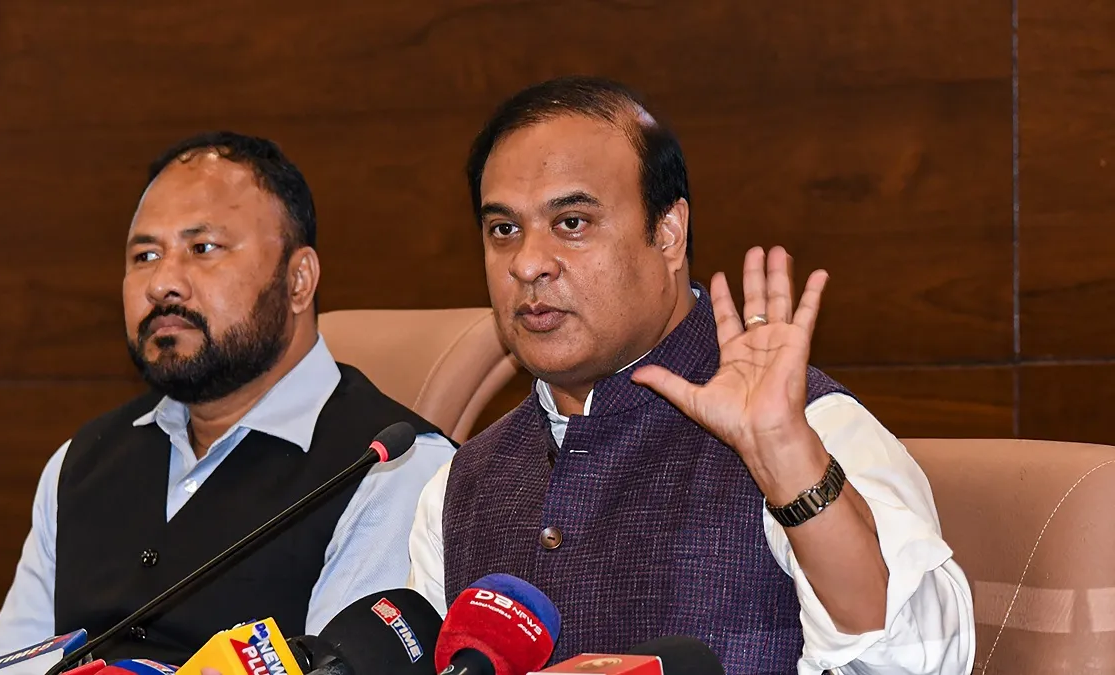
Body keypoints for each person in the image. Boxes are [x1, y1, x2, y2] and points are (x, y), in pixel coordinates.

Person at [407, 77, 975, 674]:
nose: (527, 264)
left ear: (668, 233)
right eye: (504, 230)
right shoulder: (459, 487)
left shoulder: (815, 428)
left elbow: (924, 662)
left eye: (572, 222)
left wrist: (786, 458)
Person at [0, 132, 456, 665]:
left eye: (202, 249)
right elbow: (12, 662)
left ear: (299, 280)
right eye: (145, 255)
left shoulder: (391, 471)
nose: (162, 283)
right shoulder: (79, 463)